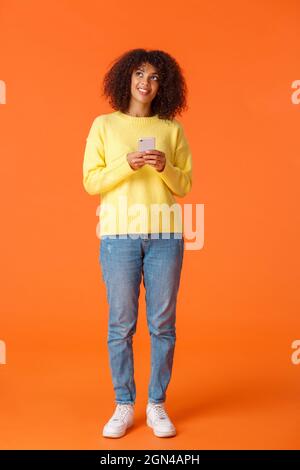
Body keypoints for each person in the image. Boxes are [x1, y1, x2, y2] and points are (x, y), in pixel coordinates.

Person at [82, 48, 193, 438]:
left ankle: (157, 404)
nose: (146, 83)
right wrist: (125, 163)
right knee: (121, 325)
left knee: (163, 325)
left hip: (165, 237)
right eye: (139, 75)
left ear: (164, 86)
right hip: (118, 236)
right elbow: (91, 182)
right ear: (126, 79)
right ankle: (124, 404)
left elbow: (185, 185)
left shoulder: (172, 128)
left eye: (155, 77)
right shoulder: (104, 126)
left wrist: (166, 168)